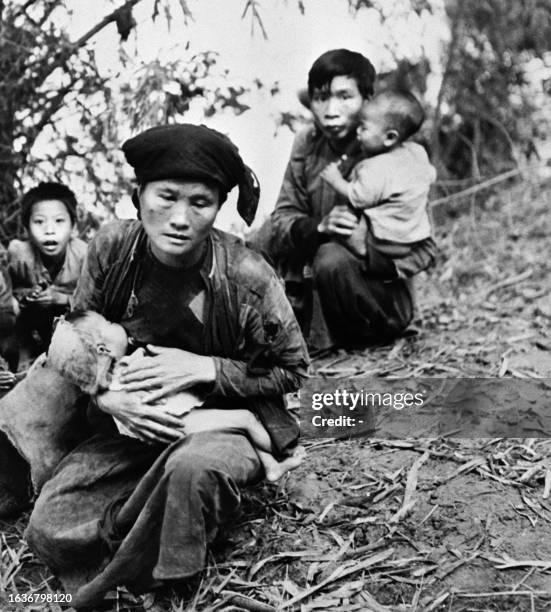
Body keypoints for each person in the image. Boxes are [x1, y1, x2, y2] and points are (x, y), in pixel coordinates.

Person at [25, 123, 309, 609]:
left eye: (199, 202)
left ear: (218, 207)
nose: (180, 217)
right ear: (139, 196)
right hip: (132, 423)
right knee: (48, 526)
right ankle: (147, 520)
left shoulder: (246, 274)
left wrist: (206, 368)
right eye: (166, 196)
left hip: (216, 427)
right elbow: (77, 328)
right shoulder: (114, 249)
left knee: (191, 471)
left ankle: (149, 554)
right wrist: (106, 394)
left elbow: (293, 370)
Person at [269, 49, 436, 350]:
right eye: (321, 98)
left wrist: (366, 246)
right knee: (257, 241)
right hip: (316, 292)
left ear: (366, 101)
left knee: (331, 258)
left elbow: (424, 250)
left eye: (345, 97)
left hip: (379, 299)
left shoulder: (396, 153)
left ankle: (348, 339)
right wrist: (318, 226)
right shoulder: (308, 143)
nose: (331, 110)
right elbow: (283, 215)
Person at [54, 310, 305, 482]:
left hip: (166, 427)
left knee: (238, 422)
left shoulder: (112, 384)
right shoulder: (132, 366)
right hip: (177, 423)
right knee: (246, 419)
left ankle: (271, 466)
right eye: (109, 324)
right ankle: (280, 453)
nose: (115, 324)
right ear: (103, 349)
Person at [319, 90, 436, 276]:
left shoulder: (374, 167)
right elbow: (431, 175)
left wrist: (336, 180)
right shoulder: (417, 151)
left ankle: (362, 249)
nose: (358, 133)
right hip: (413, 236)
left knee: (346, 220)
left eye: (364, 128)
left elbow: (359, 197)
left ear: (390, 137)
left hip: (386, 242)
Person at [8, 182, 87, 356]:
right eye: (39, 222)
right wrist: (25, 296)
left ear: (73, 227)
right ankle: (17, 356)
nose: (49, 230)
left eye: (59, 221)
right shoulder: (18, 253)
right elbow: (7, 292)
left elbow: (95, 300)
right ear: (26, 229)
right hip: (31, 321)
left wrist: (62, 298)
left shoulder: (84, 255)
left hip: (69, 323)